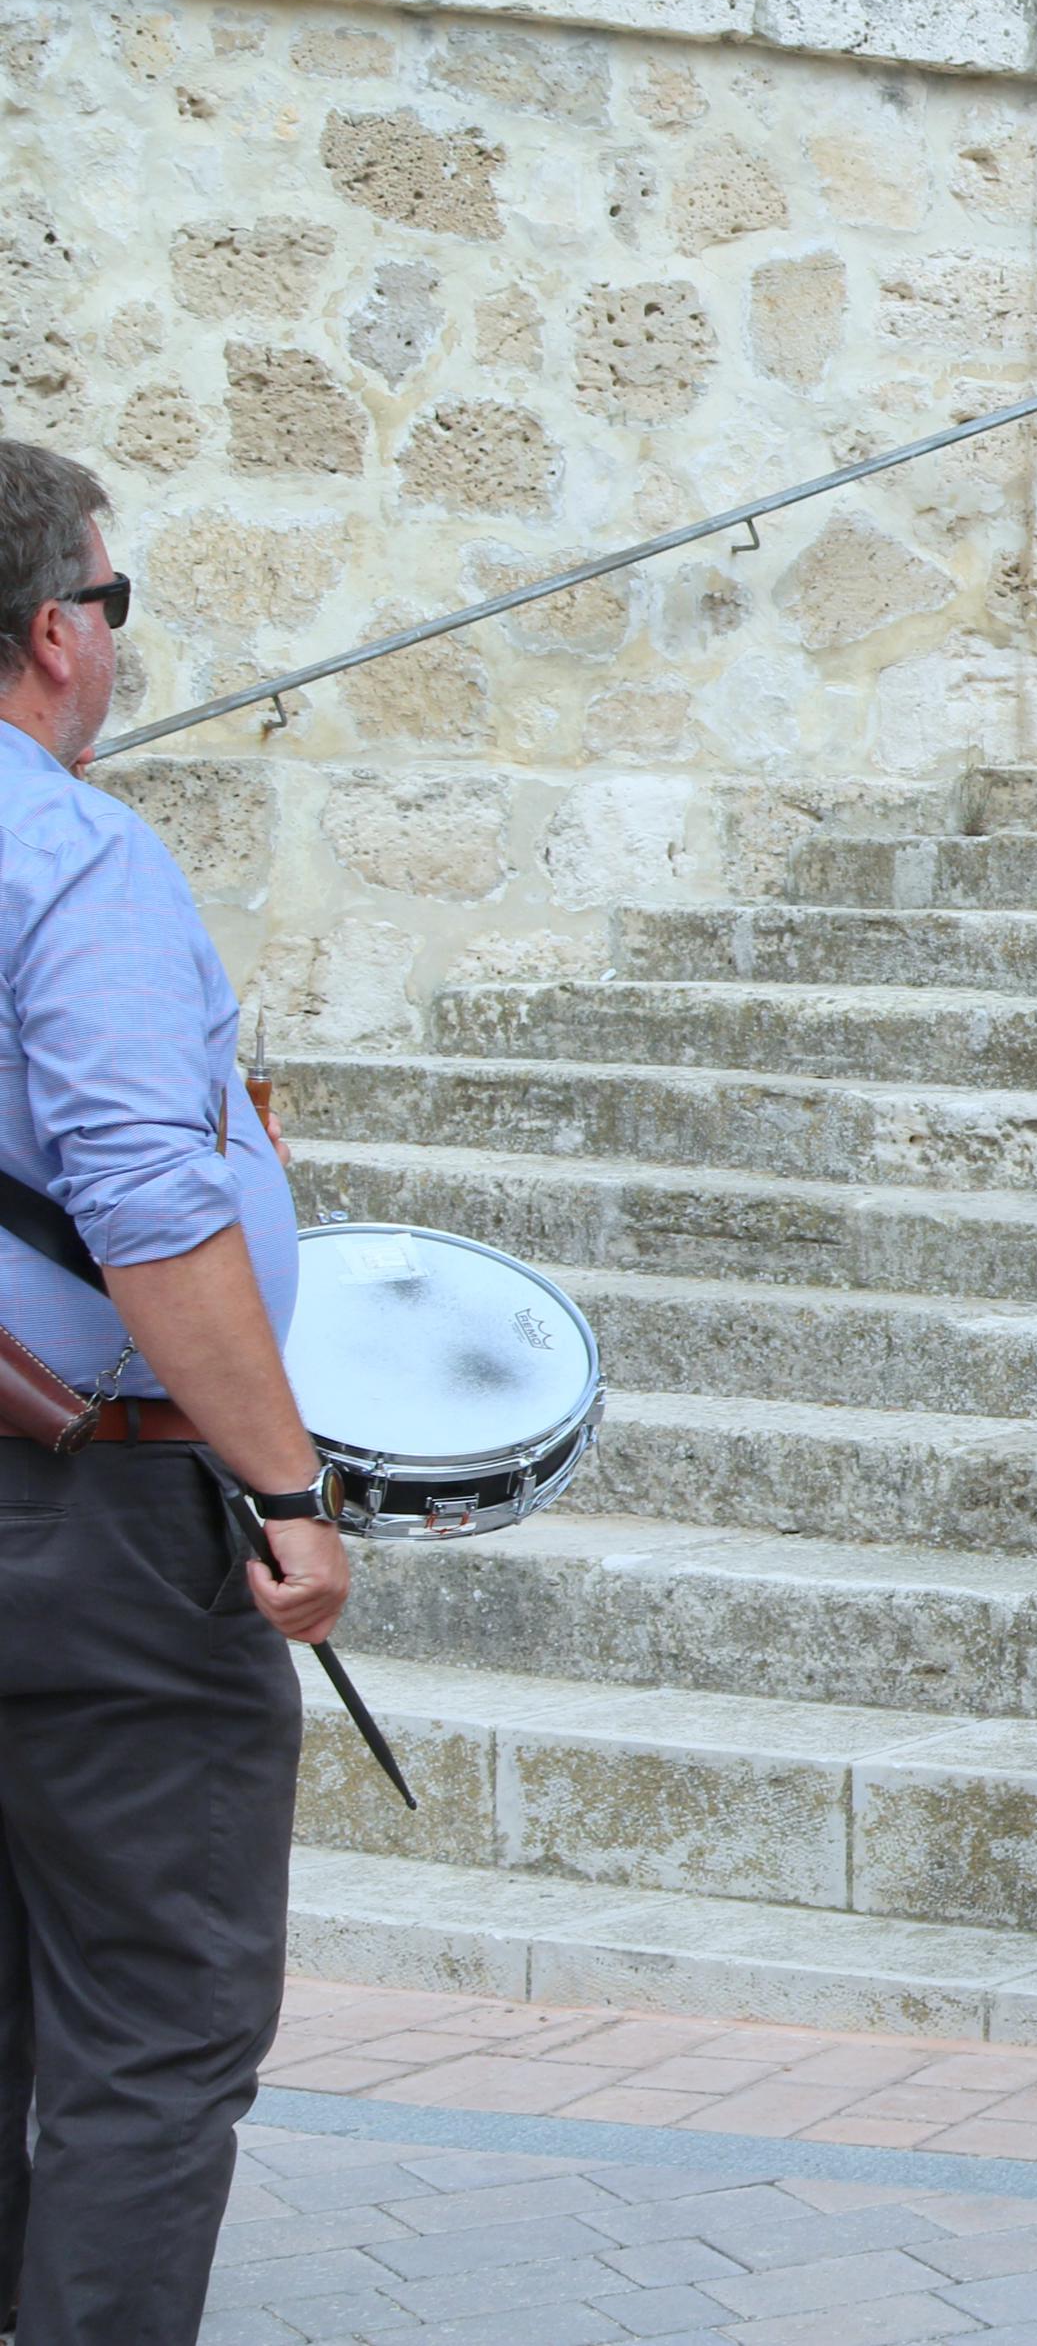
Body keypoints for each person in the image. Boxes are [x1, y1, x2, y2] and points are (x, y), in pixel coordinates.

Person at [0, 440, 348, 2346]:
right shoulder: (68, 851)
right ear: (58, 632)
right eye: (111, 608)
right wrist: (285, 1490)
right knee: (153, 2025)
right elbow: (147, 1199)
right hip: (95, 1526)